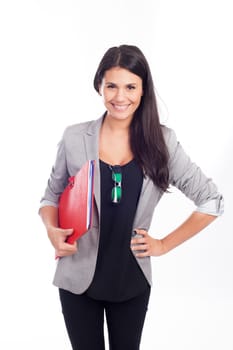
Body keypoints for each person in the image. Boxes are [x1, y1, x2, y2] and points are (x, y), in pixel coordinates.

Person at [39, 44, 224, 350]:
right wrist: (51, 230)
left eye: (130, 87)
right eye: (111, 85)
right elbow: (50, 196)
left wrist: (163, 244)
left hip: (131, 280)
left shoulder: (162, 142)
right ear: (99, 85)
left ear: (143, 90)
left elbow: (211, 200)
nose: (120, 97)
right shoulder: (74, 137)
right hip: (77, 278)